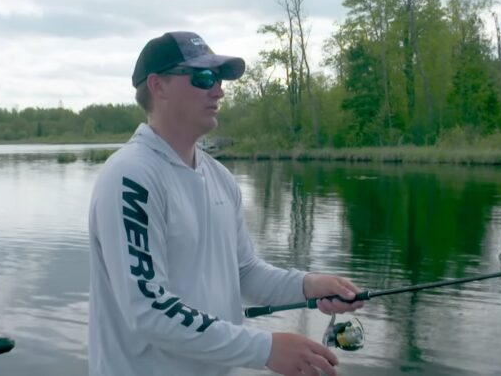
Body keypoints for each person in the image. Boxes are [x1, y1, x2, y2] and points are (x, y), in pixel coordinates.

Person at [88, 31, 364, 376]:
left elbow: (244, 272)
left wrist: (308, 284)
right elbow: (147, 309)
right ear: (158, 86)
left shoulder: (219, 178)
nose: (218, 90)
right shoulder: (131, 176)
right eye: (203, 78)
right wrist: (264, 348)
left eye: (218, 79)